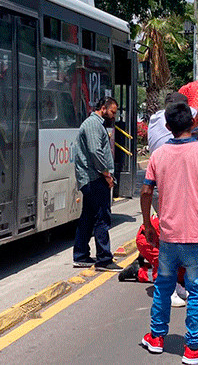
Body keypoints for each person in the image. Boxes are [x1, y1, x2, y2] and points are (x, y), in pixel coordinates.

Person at [140, 101, 198, 363]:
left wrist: (147, 226)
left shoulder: (157, 155)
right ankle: (194, 347)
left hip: (167, 236)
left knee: (163, 286)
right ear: (193, 123)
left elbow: (146, 192)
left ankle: (156, 337)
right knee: (197, 290)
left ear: (167, 127)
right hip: (193, 237)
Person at [72, 96, 122, 272]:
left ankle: (81, 255)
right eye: (112, 112)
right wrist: (107, 174)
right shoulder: (93, 124)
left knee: (88, 217)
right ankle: (104, 259)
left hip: (93, 177)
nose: (114, 116)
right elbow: (95, 151)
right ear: (103, 108)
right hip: (94, 178)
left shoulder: (96, 124)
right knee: (102, 218)